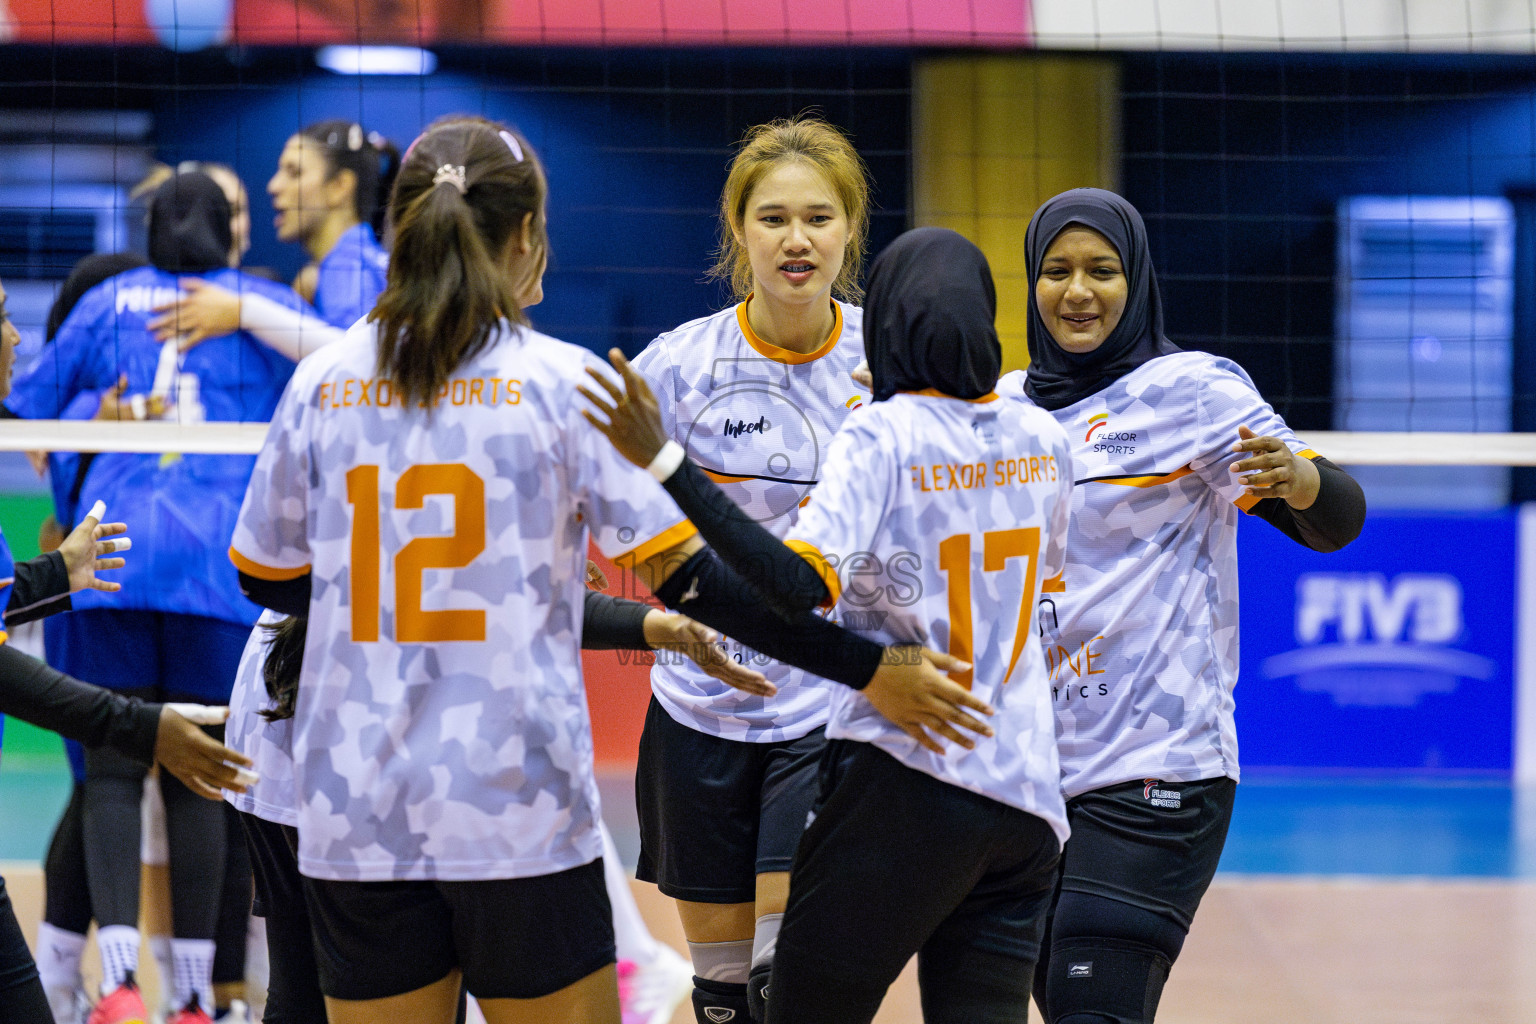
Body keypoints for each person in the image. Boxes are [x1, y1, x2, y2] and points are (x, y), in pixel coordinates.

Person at [226, 115, 977, 1024]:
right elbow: (699, 586)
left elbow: (265, 579)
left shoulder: (326, 381)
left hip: (359, 801)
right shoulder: (562, 385)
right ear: (529, 237)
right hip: (513, 795)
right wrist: (869, 668)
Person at [582, 226, 1072, 1024]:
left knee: (794, 1006)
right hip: (1024, 795)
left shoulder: (882, 431)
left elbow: (793, 582)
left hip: (910, 774)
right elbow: (1043, 571)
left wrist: (671, 466)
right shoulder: (1041, 435)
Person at [1001, 188, 1367, 1024]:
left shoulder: (1190, 392)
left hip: (1159, 760)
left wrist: (1301, 478)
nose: (1077, 291)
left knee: (1093, 1005)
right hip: (1032, 771)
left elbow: (1334, 517)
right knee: (1059, 1001)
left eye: (1103, 270)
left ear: (1138, 282)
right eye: (1056, 271)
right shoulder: (1006, 406)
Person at [2, 170, 309, 1024]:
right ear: (229, 229)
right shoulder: (261, 302)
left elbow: (21, 406)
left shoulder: (108, 304)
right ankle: (193, 997)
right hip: (220, 570)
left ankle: (119, 986)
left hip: (116, 554)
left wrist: (89, 421)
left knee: (109, 770)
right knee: (201, 775)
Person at [622, 114, 873, 1024]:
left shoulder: (884, 364)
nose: (796, 240)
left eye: (819, 217)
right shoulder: (680, 367)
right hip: (698, 706)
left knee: (788, 982)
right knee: (724, 995)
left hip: (830, 706)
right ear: (739, 231)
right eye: (773, 218)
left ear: (850, 229)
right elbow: (623, 518)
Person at [149, 120, 398, 359]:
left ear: (339, 186)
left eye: (294, 172)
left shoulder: (347, 265)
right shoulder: (357, 260)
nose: (273, 186)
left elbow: (356, 360)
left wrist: (243, 311)